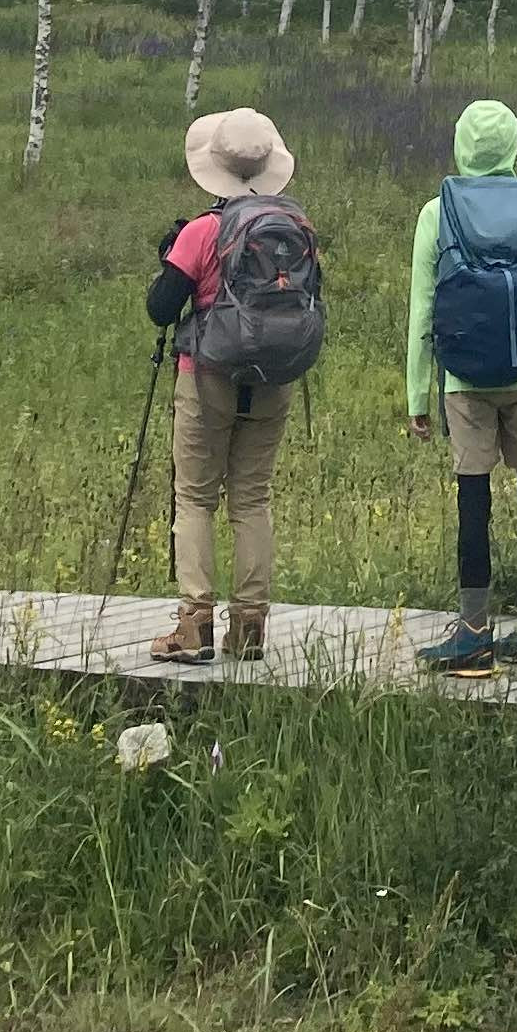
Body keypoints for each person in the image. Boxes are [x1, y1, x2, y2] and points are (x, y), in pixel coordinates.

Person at [408, 100, 517, 679]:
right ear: (513, 145)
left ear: (461, 145)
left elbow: (422, 310)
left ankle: (474, 633)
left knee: (473, 502)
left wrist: (417, 395)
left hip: (463, 379)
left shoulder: (438, 211)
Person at [143, 106, 303, 666]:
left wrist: (172, 257)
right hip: (274, 377)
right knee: (252, 498)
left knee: (195, 497)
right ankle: (251, 626)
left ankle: (194, 624)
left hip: (207, 374)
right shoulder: (292, 228)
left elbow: (161, 309)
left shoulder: (203, 230)